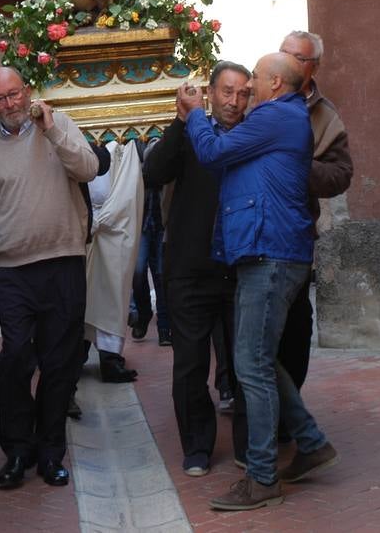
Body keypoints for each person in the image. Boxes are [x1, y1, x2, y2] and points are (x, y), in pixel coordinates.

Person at [177, 53, 338, 511]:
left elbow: (211, 153)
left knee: (250, 363)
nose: (246, 90)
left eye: (254, 82)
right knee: (260, 358)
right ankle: (309, 442)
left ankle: (263, 476)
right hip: (269, 250)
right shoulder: (280, 117)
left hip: (271, 253)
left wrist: (194, 116)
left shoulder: (275, 117)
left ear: (274, 83)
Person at [0, 67, 98, 490]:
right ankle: (18, 449)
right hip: (13, 271)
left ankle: (51, 451)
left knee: (60, 364)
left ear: (28, 92)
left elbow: (90, 168)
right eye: (0, 99)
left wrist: (54, 129)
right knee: (16, 358)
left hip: (64, 263)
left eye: (15, 94)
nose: (10, 105)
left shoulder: (60, 127)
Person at [144, 60, 253, 477]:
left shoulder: (253, 134)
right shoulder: (193, 132)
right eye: (227, 91)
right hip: (190, 267)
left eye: (243, 93)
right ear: (210, 93)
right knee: (190, 363)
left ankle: (247, 445)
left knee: (245, 364)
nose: (234, 100)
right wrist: (181, 120)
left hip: (241, 266)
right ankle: (196, 447)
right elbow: (153, 173)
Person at [275, 32, 354, 412]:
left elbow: (341, 174)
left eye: (298, 58)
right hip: (253, 235)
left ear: (314, 68)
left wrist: (300, 167)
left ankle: (289, 414)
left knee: (295, 327)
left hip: (295, 237)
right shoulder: (257, 96)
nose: (288, 61)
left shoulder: (325, 115)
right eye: (284, 53)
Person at [83, 139, 144, 383]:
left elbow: (127, 191)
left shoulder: (123, 144)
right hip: (79, 226)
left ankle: (110, 358)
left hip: (113, 228)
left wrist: (98, 222)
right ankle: (77, 351)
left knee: (111, 294)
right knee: (78, 293)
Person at [128, 185, 171, 346]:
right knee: (137, 272)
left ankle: (164, 329)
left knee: (161, 276)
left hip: (162, 222)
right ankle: (144, 313)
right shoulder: (135, 159)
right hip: (141, 222)